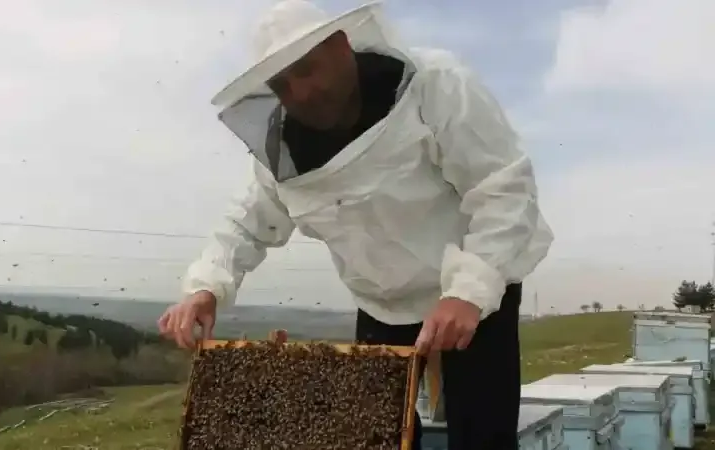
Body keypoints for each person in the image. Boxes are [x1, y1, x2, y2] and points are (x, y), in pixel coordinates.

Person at [157, 1, 554, 449]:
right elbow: (247, 221)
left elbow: (502, 187)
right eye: (283, 86)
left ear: (342, 47)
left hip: (475, 290)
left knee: (483, 437)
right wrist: (205, 287)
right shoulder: (284, 151)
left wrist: (469, 292)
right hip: (382, 304)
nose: (300, 93)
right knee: (374, 438)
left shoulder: (436, 87)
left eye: (307, 70)